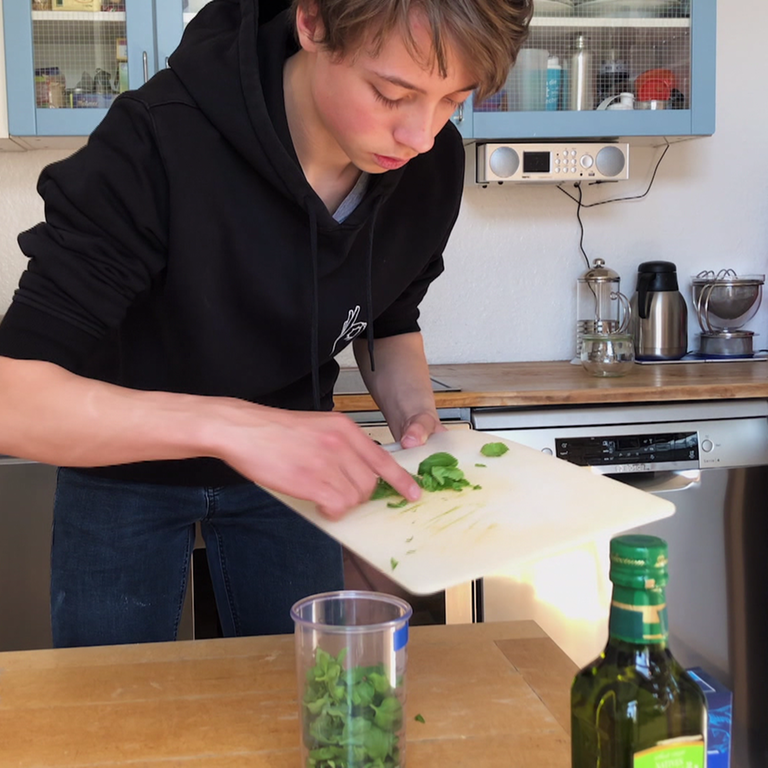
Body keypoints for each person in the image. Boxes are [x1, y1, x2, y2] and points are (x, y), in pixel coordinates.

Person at [0, 0, 531, 647]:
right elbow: (14, 398)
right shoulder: (156, 142)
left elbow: (390, 316)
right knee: (108, 713)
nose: (421, 135)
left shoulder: (431, 164)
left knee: (304, 698)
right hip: (121, 471)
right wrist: (236, 430)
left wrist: (415, 420)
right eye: (393, 94)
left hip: (294, 481)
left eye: (455, 99)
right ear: (311, 23)